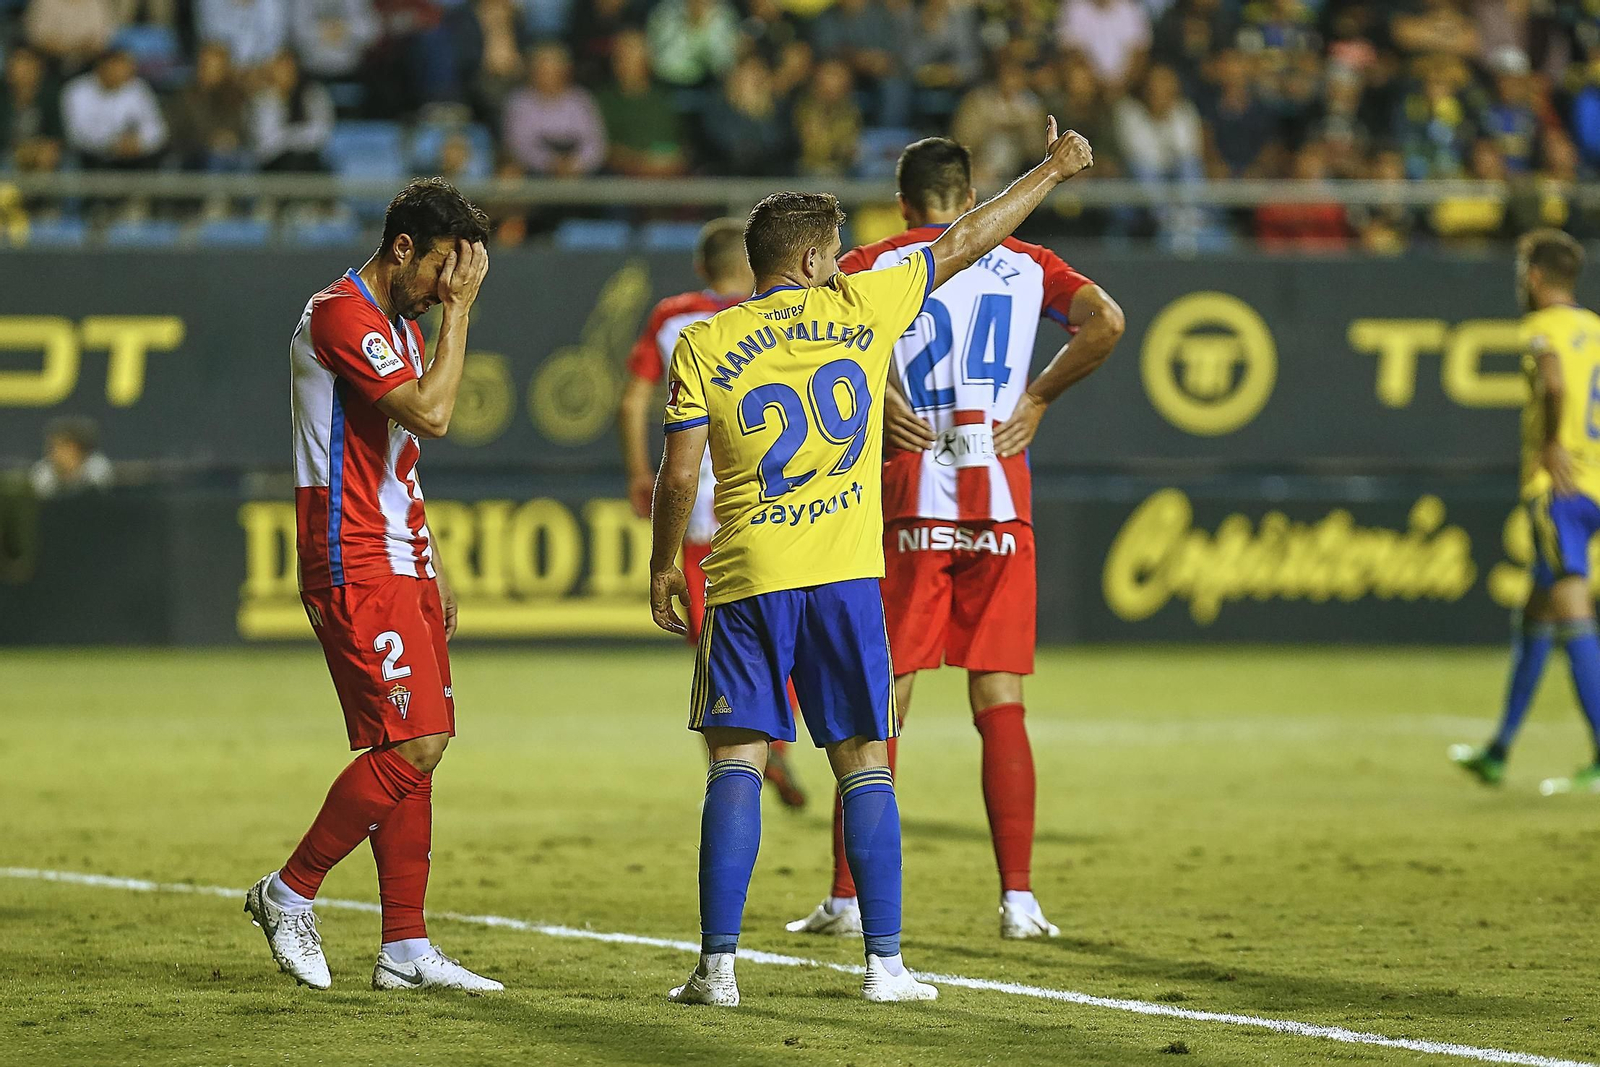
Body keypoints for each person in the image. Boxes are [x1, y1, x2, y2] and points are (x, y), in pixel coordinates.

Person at [647, 119, 1095, 1005]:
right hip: (848, 577)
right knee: (866, 762)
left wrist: (666, 562)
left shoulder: (703, 341)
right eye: (838, 248)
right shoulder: (863, 305)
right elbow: (969, 238)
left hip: (746, 577)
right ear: (814, 259)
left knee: (737, 759)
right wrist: (1051, 170)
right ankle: (886, 964)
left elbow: (681, 469)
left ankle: (718, 968)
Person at [784, 136, 1124, 942]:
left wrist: (874, 394)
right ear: (970, 194)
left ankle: (847, 895)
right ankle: (1018, 900)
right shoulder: (1029, 261)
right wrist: (1038, 398)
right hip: (1001, 506)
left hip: (910, 499)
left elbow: (812, 338)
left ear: (904, 203)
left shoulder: (873, 261)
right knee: (999, 700)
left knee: (884, 696)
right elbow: (1105, 322)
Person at [243, 178, 501, 993]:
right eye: (441, 272)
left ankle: (405, 946)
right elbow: (430, 414)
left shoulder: (391, 322)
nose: (446, 291)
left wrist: (434, 559)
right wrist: (461, 317)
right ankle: (287, 892)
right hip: (352, 556)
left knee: (416, 750)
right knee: (415, 743)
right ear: (402, 250)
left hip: (401, 554)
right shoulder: (342, 314)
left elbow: (397, 456)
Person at [618, 219, 807, 809]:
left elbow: (633, 400)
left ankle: (731, 769)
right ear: (755, 264)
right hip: (776, 502)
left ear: (701, 268)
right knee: (786, 632)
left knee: (711, 649)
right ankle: (776, 743)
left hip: (699, 508)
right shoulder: (786, 313)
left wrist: (639, 474)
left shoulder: (676, 318)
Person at [1451, 230, 1600, 796]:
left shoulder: (1540, 329)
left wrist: (1555, 442)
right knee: (1537, 613)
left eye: (1522, 271)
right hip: (1596, 485)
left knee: (1572, 609)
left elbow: (1555, 381)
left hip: (1558, 491)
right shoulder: (1597, 330)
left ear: (1536, 277)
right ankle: (1499, 750)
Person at [60, 50, 167, 169]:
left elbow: (157, 130)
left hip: (136, 157)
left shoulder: (138, 88)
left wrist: (139, 143)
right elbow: (75, 134)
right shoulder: (77, 90)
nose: (124, 73)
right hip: (93, 158)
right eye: (118, 68)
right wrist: (111, 143)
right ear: (101, 67)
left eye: (127, 69)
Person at [29, 416, 113, 498]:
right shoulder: (43, 471)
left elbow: (99, 496)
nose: (55, 452)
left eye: (62, 446)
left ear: (80, 448)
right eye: (53, 446)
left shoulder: (97, 466)